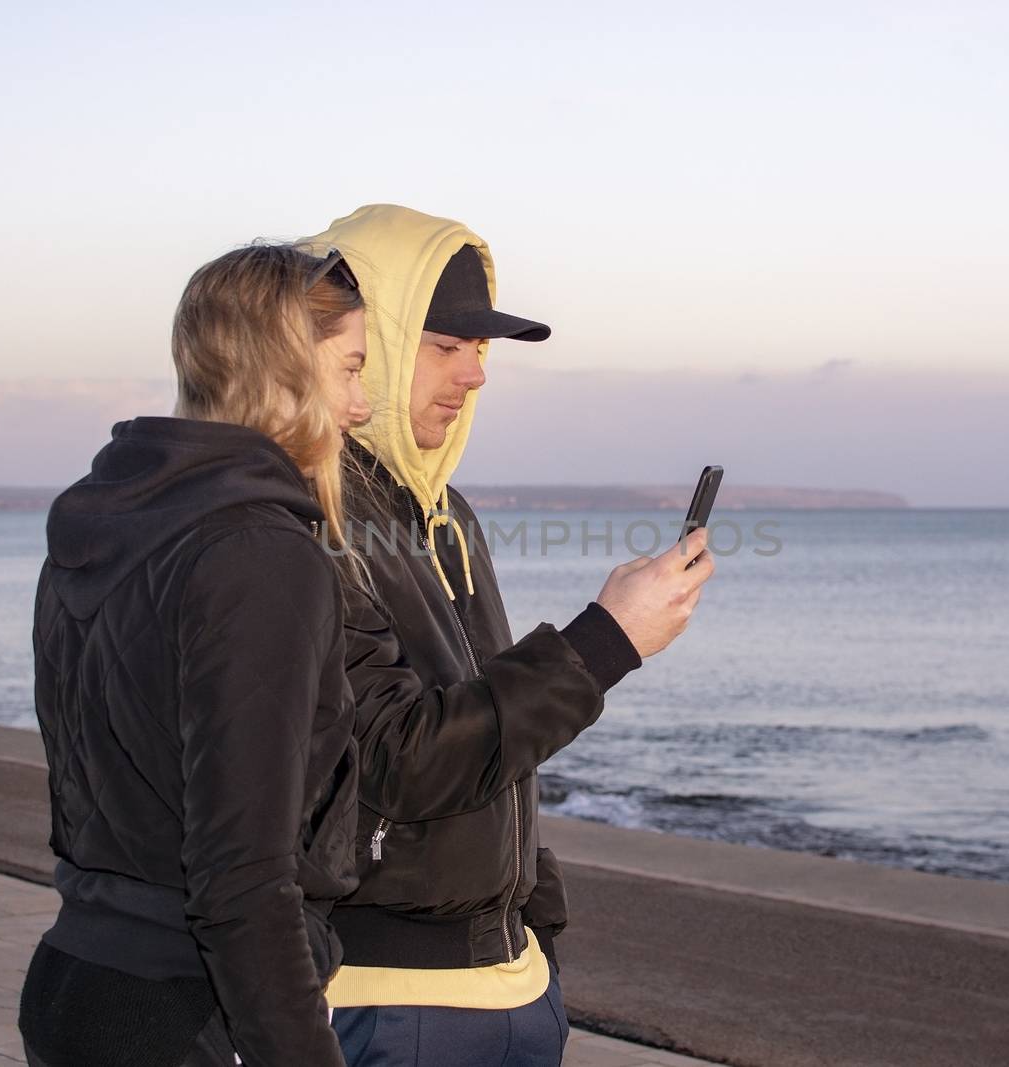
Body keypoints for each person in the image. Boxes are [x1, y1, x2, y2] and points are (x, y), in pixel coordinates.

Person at [305, 204, 714, 1066]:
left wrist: (537, 920)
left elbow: (486, 737)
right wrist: (607, 641)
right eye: (445, 345)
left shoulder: (445, 516)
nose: (475, 376)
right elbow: (398, 757)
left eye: (482, 351)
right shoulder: (313, 516)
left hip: (511, 984)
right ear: (357, 338)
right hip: (385, 995)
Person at [18, 243, 370, 1067]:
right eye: (349, 369)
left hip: (76, 984)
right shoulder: (260, 553)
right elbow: (242, 881)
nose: (361, 404)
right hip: (182, 1015)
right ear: (284, 371)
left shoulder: (104, 524)